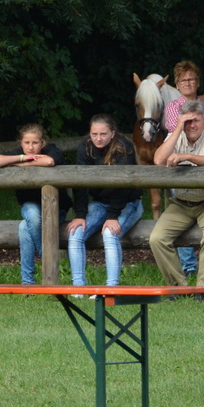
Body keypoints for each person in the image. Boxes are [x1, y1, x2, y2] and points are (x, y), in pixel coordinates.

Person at [149, 106, 204, 294]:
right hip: (181, 202)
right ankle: (179, 287)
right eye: (187, 121)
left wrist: (187, 156)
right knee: (156, 238)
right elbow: (158, 160)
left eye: (196, 121)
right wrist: (177, 130)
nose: (192, 125)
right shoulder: (177, 136)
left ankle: (202, 288)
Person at [65, 114, 143, 289]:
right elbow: (80, 184)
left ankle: (112, 287)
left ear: (112, 133)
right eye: (94, 134)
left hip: (128, 203)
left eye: (103, 134)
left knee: (109, 233)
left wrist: (113, 216)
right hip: (100, 203)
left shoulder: (124, 147)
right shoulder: (85, 148)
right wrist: (80, 215)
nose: (98, 139)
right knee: (75, 233)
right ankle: (78, 287)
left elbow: (123, 185)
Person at [0, 123, 65, 284]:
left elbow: (49, 162)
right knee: (32, 215)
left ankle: (33, 277)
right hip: (30, 206)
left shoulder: (52, 150)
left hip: (56, 208)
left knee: (24, 227)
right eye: (26, 143)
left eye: (35, 143)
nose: (30, 147)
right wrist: (22, 157)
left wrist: (23, 165)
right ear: (21, 143)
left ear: (42, 143)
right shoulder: (19, 153)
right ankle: (35, 275)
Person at [160, 60, 204, 137]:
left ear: (198, 82)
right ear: (177, 85)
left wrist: (189, 127)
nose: (187, 84)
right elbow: (175, 131)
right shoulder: (172, 107)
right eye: (183, 80)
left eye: (191, 79)